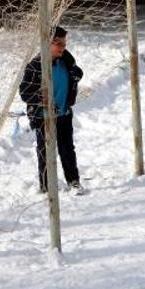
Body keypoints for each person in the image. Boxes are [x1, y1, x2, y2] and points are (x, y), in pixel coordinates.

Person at [19, 26, 85, 196]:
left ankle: (73, 181)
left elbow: (75, 75)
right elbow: (25, 93)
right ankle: (46, 185)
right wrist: (42, 100)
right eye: (58, 43)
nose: (62, 47)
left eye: (64, 43)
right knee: (45, 151)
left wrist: (77, 75)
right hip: (43, 117)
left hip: (63, 114)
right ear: (46, 43)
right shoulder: (35, 66)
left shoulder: (66, 62)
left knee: (67, 149)